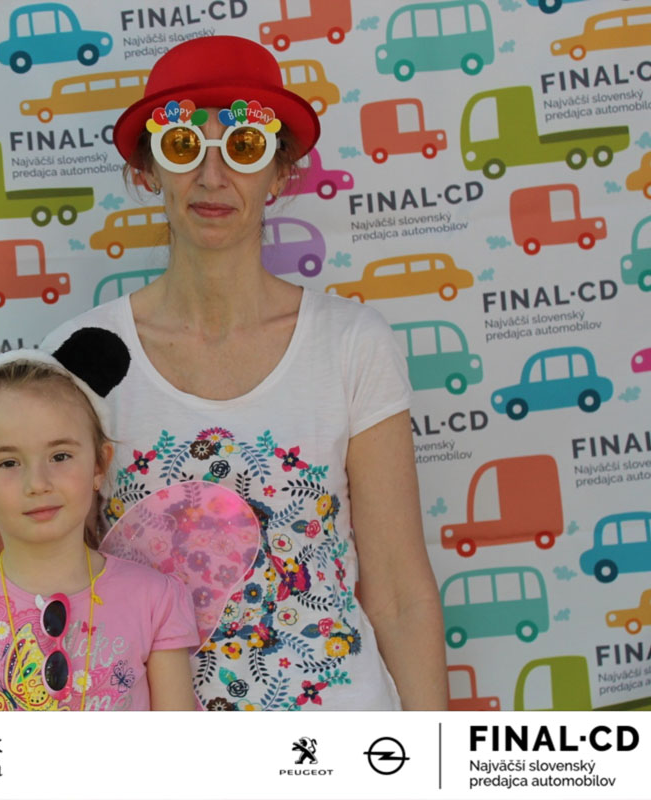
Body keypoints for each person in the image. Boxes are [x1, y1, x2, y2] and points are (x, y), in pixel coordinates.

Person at [42, 36, 448, 710]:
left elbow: (401, 592)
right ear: (148, 171)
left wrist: (438, 757)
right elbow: (52, 582)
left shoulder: (352, 344)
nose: (212, 177)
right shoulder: (79, 356)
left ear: (281, 174)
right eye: (183, 148)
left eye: (244, 148)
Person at [0, 328, 200, 711]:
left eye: (60, 456)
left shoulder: (156, 600)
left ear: (99, 465)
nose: (38, 483)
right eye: (8, 463)